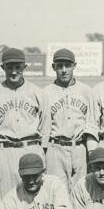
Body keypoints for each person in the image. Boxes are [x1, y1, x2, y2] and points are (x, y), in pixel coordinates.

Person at [0, 48, 47, 197]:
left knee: (32, 198)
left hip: (30, 148)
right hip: (3, 151)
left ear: (24, 67)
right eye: (9, 67)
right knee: (2, 197)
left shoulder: (37, 92)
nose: (13, 71)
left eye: (17, 67)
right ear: (2, 68)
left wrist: (41, 153)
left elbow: (45, 128)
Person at [42, 48, 92, 189]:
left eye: (68, 65)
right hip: (55, 148)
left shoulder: (87, 91)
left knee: (82, 190)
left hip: (80, 148)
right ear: (53, 67)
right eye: (59, 66)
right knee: (56, 191)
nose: (64, 70)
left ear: (74, 66)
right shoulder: (45, 93)